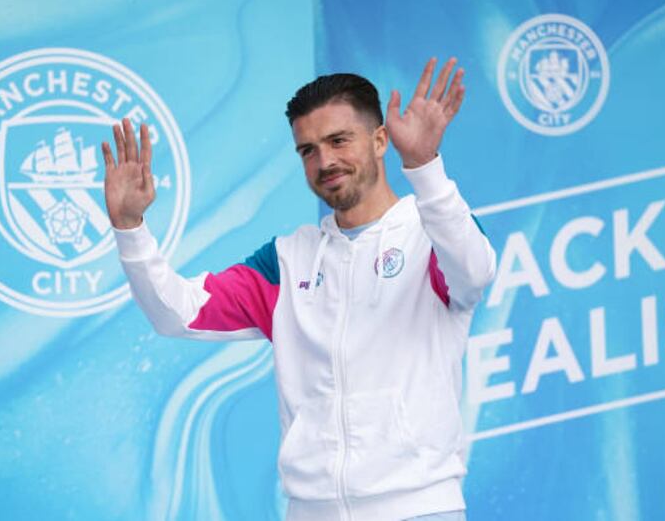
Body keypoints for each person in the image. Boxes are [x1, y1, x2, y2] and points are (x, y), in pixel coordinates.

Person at [102, 57, 496, 521]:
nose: (324, 161)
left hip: (420, 508)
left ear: (380, 140)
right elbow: (178, 313)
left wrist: (425, 167)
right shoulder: (288, 261)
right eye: (308, 149)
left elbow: (474, 272)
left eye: (338, 140)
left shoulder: (431, 232)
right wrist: (130, 227)